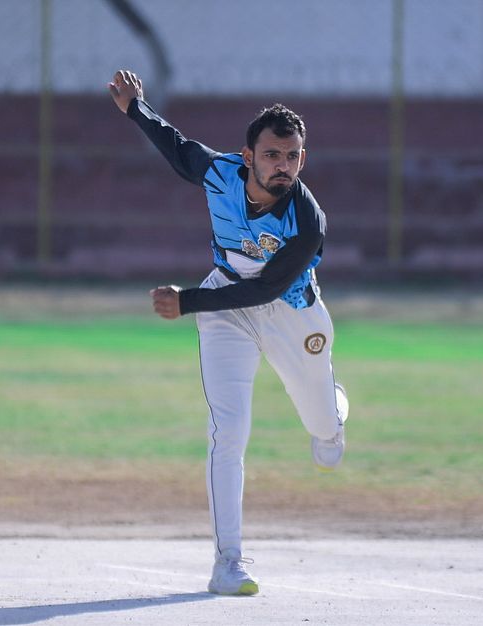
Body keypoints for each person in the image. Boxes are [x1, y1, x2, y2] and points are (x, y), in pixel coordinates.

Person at [107, 70, 349, 596]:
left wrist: (187, 302)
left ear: (302, 160)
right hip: (226, 308)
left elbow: (266, 289)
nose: (282, 165)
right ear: (248, 156)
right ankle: (228, 562)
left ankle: (332, 414)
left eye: (291, 157)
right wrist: (135, 108)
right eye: (271, 155)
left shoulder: (308, 221)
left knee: (323, 428)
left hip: (291, 314)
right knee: (229, 431)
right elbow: (179, 151)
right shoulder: (221, 172)